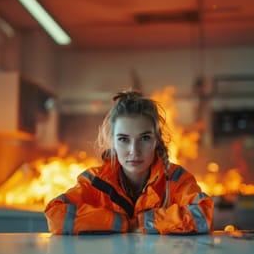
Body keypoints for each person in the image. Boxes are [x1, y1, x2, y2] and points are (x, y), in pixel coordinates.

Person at [44, 90, 214, 235]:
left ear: (157, 141)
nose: (134, 150)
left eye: (145, 138)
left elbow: (204, 214)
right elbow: (55, 213)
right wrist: (120, 224)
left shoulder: (176, 180)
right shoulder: (95, 182)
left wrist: (144, 223)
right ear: (112, 142)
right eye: (124, 139)